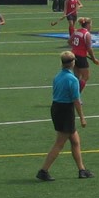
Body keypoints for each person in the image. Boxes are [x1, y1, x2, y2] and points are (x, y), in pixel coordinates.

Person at [37, 51, 93, 181]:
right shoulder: (72, 79)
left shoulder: (58, 76)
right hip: (65, 110)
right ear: (73, 63)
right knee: (59, 143)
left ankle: (82, 170)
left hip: (56, 108)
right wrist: (82, 118)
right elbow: (76, 100)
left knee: (75, 141)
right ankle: (43, 170)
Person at [69, 17, 99, 92]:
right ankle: (75, 96)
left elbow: (69, 41)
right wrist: (94, 59)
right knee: (85, 76)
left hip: (73, 55)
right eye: (91, 24)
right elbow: (89, 49)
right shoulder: (87, 34)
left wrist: (77, 48)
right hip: (81, 57)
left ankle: (73, 96)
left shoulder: (76, 31)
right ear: (87, 25)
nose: (91, 26)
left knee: (76, 77)